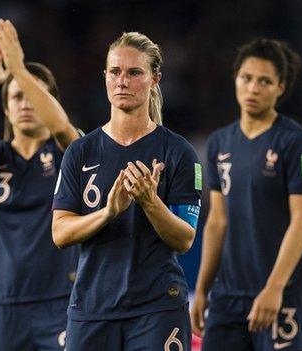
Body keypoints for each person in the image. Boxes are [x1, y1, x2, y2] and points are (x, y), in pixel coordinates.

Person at [52, 32, 202, 350]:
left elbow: (184, 238)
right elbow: (60, 233)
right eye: (115, 72)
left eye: (134, 73)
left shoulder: (179, 152)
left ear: (155, 79)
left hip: (157, 308)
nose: (123, 81)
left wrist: (149, 202)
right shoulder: (80, 152)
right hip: (91, 309)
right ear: (105, 77)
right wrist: (108, 212)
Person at [0, 19, 79, 351]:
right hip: (5, 304)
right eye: (17, 98)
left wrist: (19, 70)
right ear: (6, 110)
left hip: (61, 300)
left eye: (34, 97)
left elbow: (63, 126)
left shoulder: (71, 154)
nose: (25, 104)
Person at [191, 38, 302, 350]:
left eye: (265, 81)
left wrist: (275, 288)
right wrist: (202, 289)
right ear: (235, 78)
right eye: (246, 78)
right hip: (228, 297)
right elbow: (217, 223)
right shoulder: (220, 143)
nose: (253, 88)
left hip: (284, 293)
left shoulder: (298, 142)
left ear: (280, 87)